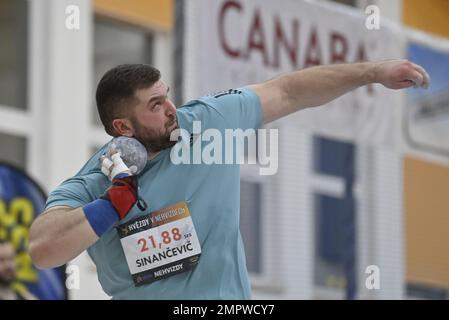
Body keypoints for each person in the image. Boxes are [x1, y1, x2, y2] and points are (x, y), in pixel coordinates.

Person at [29, 60, 429, 299]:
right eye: (155, 105)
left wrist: (373, 71)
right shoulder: (96, 181)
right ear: (122, 126)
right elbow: (43, 249)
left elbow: (289, 91)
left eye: (167, 95)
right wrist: (113, 204)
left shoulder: (208, 124)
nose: (172, 109)